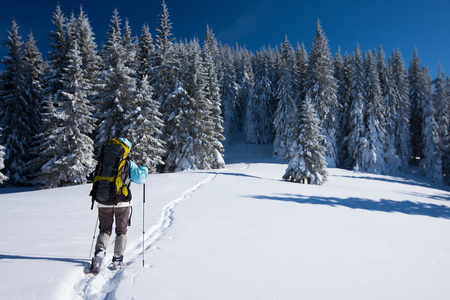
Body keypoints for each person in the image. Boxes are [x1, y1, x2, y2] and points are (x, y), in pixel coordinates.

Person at [92, 137, 148, 270]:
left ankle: (99, 253)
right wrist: (144, 169)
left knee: (104, 229)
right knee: (121, 230)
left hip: (103, 201)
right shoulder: (127, 162)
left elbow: (94, 175)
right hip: (122, 202)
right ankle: (117, 258)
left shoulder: (104, 160)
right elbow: (140, 179)